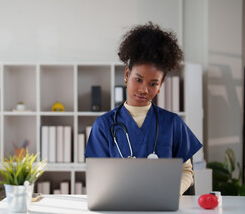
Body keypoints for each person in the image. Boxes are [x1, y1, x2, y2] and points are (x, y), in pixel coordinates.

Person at [84, 22, 203, 195]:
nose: (144, 90)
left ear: (161, 85)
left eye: (153, 83)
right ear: (126, 75)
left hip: (163, 212)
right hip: (120, 209)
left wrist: (168, 194)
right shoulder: (104, 125)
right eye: (138, 79)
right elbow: (96, 176)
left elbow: (186, 172)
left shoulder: (173, 123)